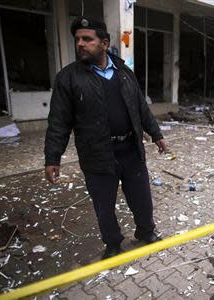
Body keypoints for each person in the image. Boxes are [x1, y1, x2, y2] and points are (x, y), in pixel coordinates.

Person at [44, 17, 166, 259]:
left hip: (131, 149)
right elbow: (58, 121)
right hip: (97, 154)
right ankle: (112, 244)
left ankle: (146, 232)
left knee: (141, 197)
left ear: (104, 43)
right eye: (77, 39)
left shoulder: (123, 71)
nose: (80, 44)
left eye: (87, 39)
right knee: (104, 205)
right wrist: (52, 157)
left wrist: (156, 134)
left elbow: (140, 107)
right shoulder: (68, 78)